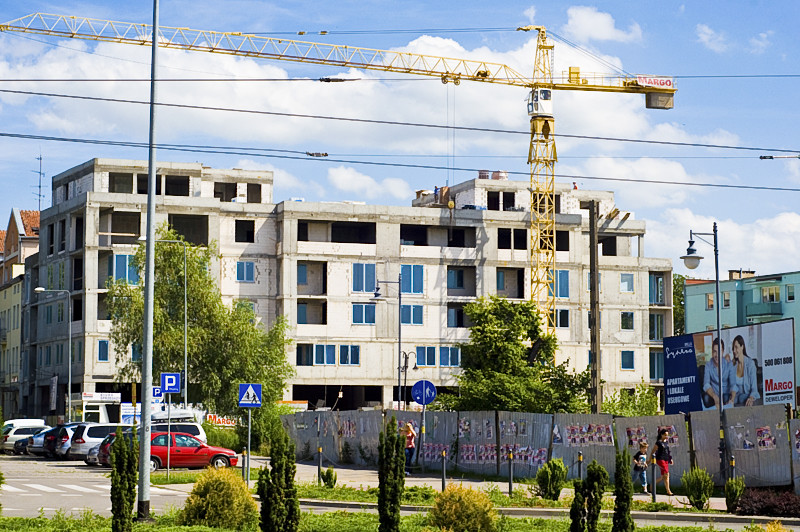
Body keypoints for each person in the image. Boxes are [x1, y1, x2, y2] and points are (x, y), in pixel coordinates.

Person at [702, 338, 736, 409]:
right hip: (714, 394)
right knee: (706, 398)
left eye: (719, 351)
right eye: (715, 351)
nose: (717, 355)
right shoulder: (708, 365)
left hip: (726, 395)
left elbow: (733, 384)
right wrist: (715, 397)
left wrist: (732, 399)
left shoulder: (729, 364)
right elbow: (706, 384)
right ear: (712, 352)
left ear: (723, 351)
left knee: (726, 397)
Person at [731, 335, 760, 407]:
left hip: (747, 394)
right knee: (730, 399)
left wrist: (751, 397)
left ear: (742, 347)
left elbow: (754, 388)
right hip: (736, 395)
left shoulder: (750, 364)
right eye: (733, 348)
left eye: (736, 347)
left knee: (741, 398)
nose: (734, 351)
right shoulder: (733, 365)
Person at [651, 428, 673, 496]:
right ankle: (668, 491)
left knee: (664, 476)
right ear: (661, 435)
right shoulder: (658, 442)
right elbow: (653, 451)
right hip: (660, 459)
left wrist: (670, 459)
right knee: (666, 474)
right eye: (665, 435)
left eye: (667, 435)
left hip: (666, 459)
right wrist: (650, 460)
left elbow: (667, 451)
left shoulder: (666, 442)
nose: (666, 436)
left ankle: (652, 485)